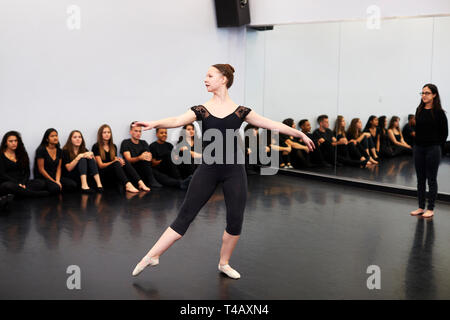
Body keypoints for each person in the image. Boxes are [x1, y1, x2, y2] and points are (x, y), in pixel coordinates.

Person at [130, 63, 315, 279]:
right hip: (208, 169)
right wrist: (154, 122)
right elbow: (177, 120)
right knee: (185, 216)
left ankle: (224, 263)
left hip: (234, 171)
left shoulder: (241, 111)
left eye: (210, 76)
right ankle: (152, 255)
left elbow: (270, 124)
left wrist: (299, 134)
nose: (205, 79)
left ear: (223, 79)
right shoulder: (201, 110)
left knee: (235, 219)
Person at [410, 84, 448, 218]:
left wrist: (438, 147)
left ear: (434, 95)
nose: (424, 95)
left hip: (433, 148)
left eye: (427, 93)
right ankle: (421, 207)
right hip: (419, 148)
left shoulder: (439, 113)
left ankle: (430, 208)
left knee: (431, 179)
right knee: (420, 179)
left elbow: (444, 133)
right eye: (422, 93)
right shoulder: (419, 110)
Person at [92, 124, 147, 193]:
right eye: (104, 132)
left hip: (113, 172)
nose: (107, 134)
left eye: (108, 132)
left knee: (124, 161)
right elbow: (100, 165)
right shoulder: (96, 146)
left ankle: (140, 183)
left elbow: (115, 160)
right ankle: (128, 185)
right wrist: (115, 161)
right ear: (100, 134)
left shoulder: (113, 146)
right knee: (116, 163)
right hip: (103, 174)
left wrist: (119, 161)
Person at [0, 131, 48, 197]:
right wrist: (17, 183)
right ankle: (34, 195)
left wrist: (23, 183)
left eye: (15, 141)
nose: (14, 143)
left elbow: (27, 172)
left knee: (41, 183)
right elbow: (2, 175)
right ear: (5, 143)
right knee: (7, 186)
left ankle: (19, 194)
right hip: (8, 182)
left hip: (22, 182)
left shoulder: (22, 154)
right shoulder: (1, 155)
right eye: (11, 141)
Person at [34, 128, 77, 194]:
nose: (55, 138)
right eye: (52, 136)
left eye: (56, 135)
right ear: (47, 139)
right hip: (44, 177)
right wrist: (53, 181)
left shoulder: (59, 151)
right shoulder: (41, 150)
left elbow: (59, 168)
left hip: (55, 176)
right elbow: (41, 169)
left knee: (73, 185)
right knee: (55, 188)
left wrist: (57, 180)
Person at [120, 123, 163, 188]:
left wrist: (149, 156)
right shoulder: (126, 142)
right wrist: (140, 158)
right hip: (132, 171)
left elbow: (149, 159)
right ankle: (151, 180)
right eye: (136, 131)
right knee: (144, 152)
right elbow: (128, 160)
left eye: (140, 131)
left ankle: (179, 183)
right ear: (131, 132)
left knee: (160, 175)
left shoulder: (144, 142)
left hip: (144, 170)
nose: (138, 133)